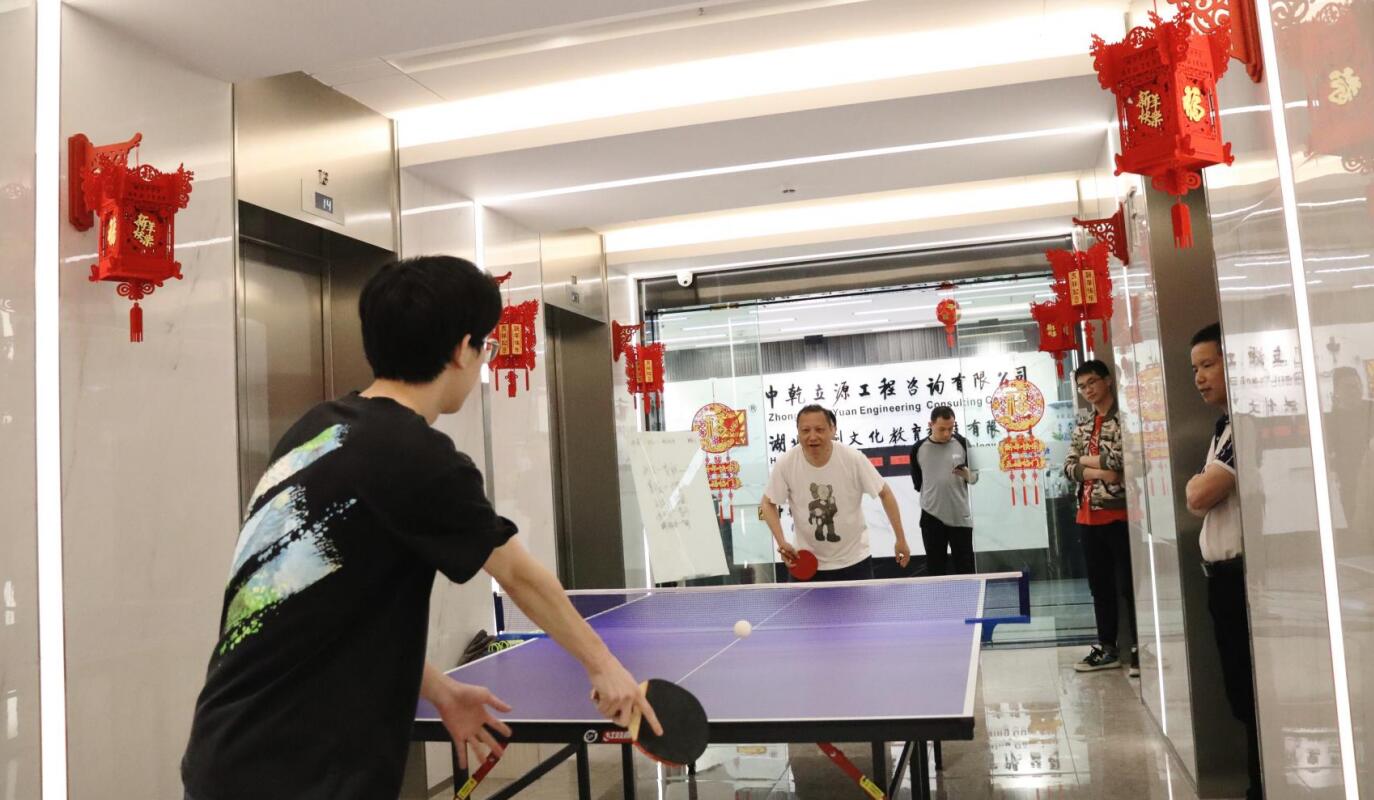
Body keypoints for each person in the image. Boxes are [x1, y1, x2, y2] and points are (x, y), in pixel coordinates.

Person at [181, 256, 658, 800]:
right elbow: (518, 575)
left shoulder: (317, 429)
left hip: (228, 751)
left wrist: (440, 690)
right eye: (486, 347)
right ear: (462, 349)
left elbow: (318, 610)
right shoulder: (420, 458)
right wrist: (605, 667)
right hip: (301, 770)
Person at [1185, 322, 1262, 800]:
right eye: (1195, 368)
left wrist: (1198, 485)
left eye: (1208, 365)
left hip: (1242, 581)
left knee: (1251, 695)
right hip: (1222, 581)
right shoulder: (1222, 427)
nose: (1199, 377)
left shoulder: (1244, 425)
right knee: (1240, 693)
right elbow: (1199, 494)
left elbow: (1199, 494)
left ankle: (1261, 787)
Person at [762, 404, 911, 580]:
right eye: (805, 430)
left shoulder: (853, 458)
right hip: (805, 562)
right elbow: (767, 503)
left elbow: (885, 493)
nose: (812, 436)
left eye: (819, 429)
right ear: (798, 433)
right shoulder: (786, 463)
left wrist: (901, 539)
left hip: (854, 561)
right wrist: (781, 542)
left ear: (833, 430)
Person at [1064, 359, 1137, 676]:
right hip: (1087, 516)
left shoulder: (1124, 420)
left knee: (1129, 585)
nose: (1088, 390)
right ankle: (1108, 648)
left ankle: (1138, 649)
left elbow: (1123, 458)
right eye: (1082, 386)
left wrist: (1088, 461)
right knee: (1100, 587)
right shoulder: (1083, 424)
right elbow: (1069, 467)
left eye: (1092, 382)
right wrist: (1101, 470)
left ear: (1107, 380)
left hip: (1120, 514)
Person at [910, 405, 979, 575]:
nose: (947, 433)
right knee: (935, 568)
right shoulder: (918, 449)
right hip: (931, 516)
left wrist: (967, 475)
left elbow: (975, 478)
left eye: (951, 428)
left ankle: (968, 593)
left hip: (960, 515)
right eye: (942, 429)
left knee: (965, 567)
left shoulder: (963, 443)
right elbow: (919, 483)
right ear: (931, 425)